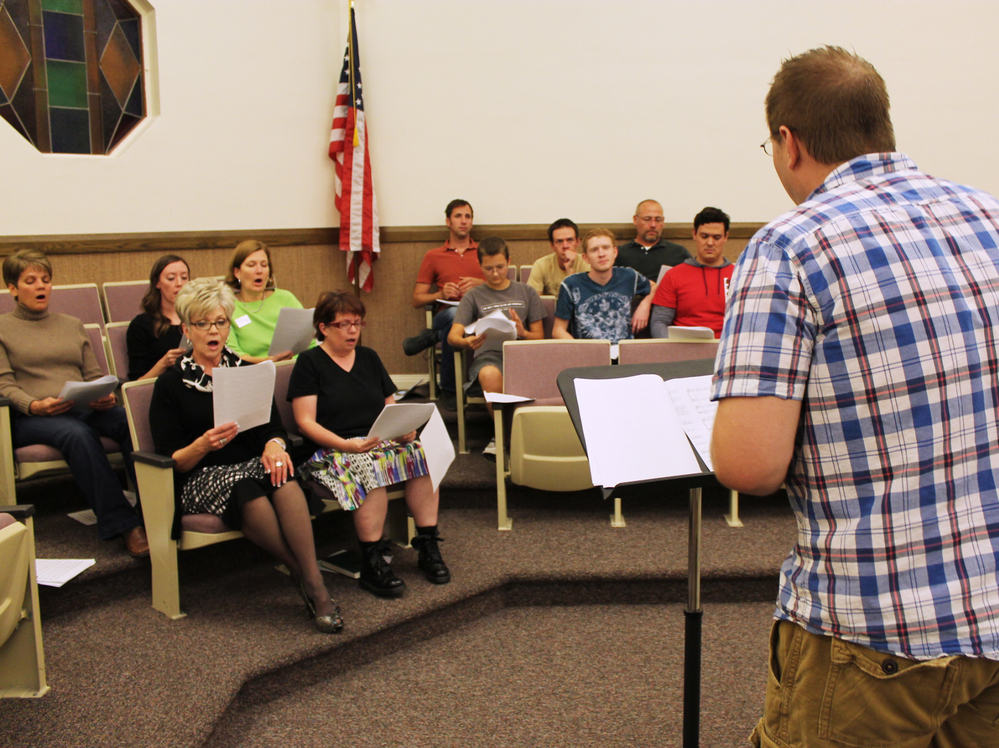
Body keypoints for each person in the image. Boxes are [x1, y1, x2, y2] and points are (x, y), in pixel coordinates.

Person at [710, 46, 999, 747]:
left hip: (878, 624)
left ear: (788, 142)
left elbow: (748, 466)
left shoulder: (789, 246)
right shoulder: (988, 215)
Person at [149, 278, 342, 634]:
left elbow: (273, 428)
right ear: (187, 329)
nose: (214, 331)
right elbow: (170, 460)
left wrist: (274, 445)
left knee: (282, 476)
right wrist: (202, 445)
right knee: (248, 489)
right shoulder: (171, 384)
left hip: (251, 465)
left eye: (221, 322)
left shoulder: (246, 370)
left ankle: (312, 580)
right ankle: (301, 572)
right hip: (200, 477)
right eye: (204, 323)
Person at [290, 291, 449, 599]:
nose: (353, 330)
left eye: (357, 323)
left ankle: (428, 544)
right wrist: (345, 445)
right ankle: (372, 560)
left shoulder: (369, 357)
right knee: (368, 465)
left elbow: (391, 407)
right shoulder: (309, 362)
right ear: (323, 327)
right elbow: (305, 422)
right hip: (331, 449)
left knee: (422, 454)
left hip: (376, 440)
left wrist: (404, 431)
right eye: (344, 324)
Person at [0, 249, 147, 556]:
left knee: (126, 420)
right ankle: (124, 525)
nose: (41, 286)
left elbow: (93, 376)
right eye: (31, 281)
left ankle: (156, 512)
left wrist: (102, 396)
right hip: (31, 417)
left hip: (79, 408)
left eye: (46, 280)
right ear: (13, 289)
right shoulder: (3, 328)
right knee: (77, 434)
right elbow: (5, 385)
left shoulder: (71, 324)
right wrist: (34, 405)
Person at [448, 237, 545, 455]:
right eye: (488, 268)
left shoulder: (526, 292)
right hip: (489, 355)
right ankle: (505, 435)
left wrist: (523, 333)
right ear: (480, 266)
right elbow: (453, 336)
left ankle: (510, 436)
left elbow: (540, 336)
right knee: (490, 374)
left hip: (522, 355)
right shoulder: (473, 295)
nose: (495, 274)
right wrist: (467, 341)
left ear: (509, 261)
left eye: (500, 267)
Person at [402, 199, 485, 409]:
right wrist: (441, 293)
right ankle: (450, 387)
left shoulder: (484, 252)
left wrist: (480, 284)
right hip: (446, 312)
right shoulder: (433, 256)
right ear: (448, 221)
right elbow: (416, 299)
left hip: (479, 314)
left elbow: (504, 286)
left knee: (455, 321)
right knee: (454, 314)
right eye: (458, 216)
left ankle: (447, 381)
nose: (463, 221)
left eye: (468, 216)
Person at [553, 228, 654, 343]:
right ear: (585, 258)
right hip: (590, 355)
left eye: (606, 248)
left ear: (615, 252)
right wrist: (579, 350)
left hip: (624, 354)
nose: (601, 254)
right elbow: (558, 330)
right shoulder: (571, 284)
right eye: (594, 250)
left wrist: (645, 305)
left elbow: (655, 287)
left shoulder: (629, 276)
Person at [650, 207, 733, 338]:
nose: (710, 243)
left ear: (726, 237)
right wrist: (672, 350)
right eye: (704, 236)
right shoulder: (674, 275)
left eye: (716, 237)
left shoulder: (739, 275)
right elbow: (659, 322)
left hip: (726, 350)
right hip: (684, 350)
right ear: (694, 234)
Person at [224, 239, 310, 364]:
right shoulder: (227, 306)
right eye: (251, 265)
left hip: (297, 366)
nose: (259, 270)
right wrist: (268, 361)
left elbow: (310, 342)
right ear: (237, 272)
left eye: (264, 265)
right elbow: (233, 354)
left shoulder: (286, 298)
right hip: (254, 370)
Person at [126, 254, 191, 380]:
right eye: (171, 278)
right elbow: (135, 386)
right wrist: (163, 363)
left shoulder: (197, 319)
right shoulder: (141, 325)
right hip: (163, 389)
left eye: (184, 277)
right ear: (157, 283)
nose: (179, 283)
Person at [616, 199, 691, 289]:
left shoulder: (678, 253)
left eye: (658, 220)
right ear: (635, 220)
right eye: (647, 219)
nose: (653, 225)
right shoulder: (619, 253)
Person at [526, 218, 590, 296]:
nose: (565, 246)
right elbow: (533, 301)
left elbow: (584, 301)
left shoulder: (588, 264)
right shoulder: (541, 265)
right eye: (559, 241)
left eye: (570, 240)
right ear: (552, 245)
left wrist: (570, 270)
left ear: (577, 242)